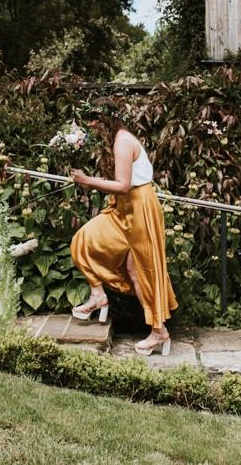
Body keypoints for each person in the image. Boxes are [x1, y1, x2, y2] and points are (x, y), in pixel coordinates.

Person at [69, 98, 178, 356]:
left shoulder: (123, 142)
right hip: (124, 207)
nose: (92, 127)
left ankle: (158, 331)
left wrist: (87, 180)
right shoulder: (118, 140)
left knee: (141, 270)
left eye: (95, 122)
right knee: (84, 238)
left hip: (139, 206)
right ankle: (98, 295)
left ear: (105, 119)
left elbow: (123, 185)